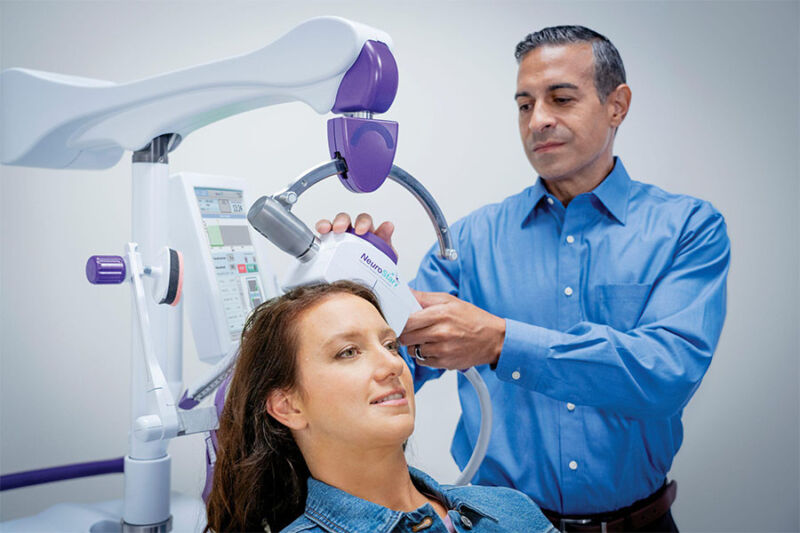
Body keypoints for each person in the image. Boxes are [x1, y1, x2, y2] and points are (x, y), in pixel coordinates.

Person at [317, 26, 730, 532]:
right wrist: (362, 286)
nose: (539, 121)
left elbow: (667, 373)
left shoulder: (687, 228)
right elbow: (401, 360)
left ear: (616, 104)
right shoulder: (468, 241)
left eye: (560, 98)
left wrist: (500, 342)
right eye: (524, 104)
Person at [204, 281, 556, 533]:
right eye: (348, 352)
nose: (393, 365)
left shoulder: (510, 511)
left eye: (390, 345)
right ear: (287, 406)